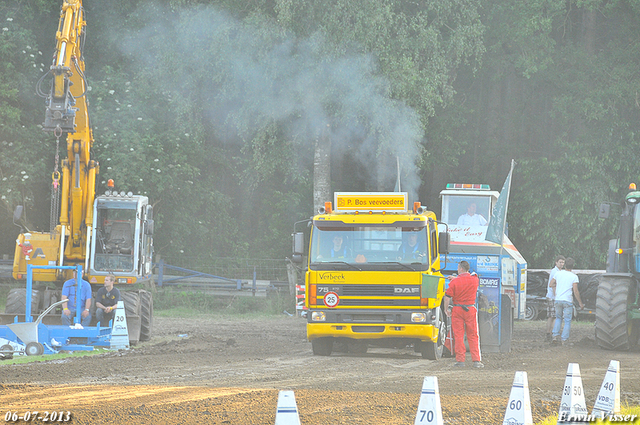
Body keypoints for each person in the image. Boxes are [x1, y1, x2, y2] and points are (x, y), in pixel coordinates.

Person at [444, 261, 483, 368]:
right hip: (470, 309)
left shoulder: (454, 282)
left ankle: (460, 361)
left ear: (460, 268)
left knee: (459, 335)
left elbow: (447, 297)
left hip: (457, 309)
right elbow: (468, 278)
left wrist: (446, 309)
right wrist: (456, 279)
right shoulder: (475, 280)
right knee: (473, 335)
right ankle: (476, 361)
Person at [549, 257, 584, 345]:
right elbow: (575, 291)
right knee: (567, 320)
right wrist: (580, 302)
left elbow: (551, 284)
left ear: (565, 265)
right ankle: (564, 340)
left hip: (558, 299)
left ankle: (555, 336)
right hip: (567, 300)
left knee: (558, 318)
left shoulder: (558, 274)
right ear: (572, 266)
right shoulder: (574, 277)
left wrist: (556, 290)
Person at [545, 255, 565, 341]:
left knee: (551, 316)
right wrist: (557, 296)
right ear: (556, 262)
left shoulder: (559, 271)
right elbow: (553, 285)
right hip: (553, 297)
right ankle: (552, 333)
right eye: (560, 262)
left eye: (563, 262)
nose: (562, 264)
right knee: (554, 316)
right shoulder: (555, 272)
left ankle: (549, 333)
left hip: (552, 296)